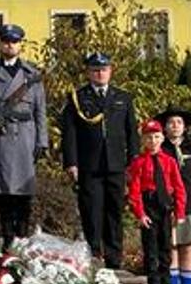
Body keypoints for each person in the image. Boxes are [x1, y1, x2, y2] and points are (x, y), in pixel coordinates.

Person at [0, 23, 47, 252]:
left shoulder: (32, 75)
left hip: (25, 138)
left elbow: (40, 111)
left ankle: (22, 239)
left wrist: (42, 141)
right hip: (0, 139)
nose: (10, 45)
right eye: (6, 41)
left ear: (20, 45)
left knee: (24, 194)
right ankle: (7, 239)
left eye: (14, 42)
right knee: (3, 193)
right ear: (0, 44)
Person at [59, 52, 138, 269]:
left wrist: (133, 161)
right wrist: (71, 162)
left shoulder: (123, 97)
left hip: (116, 164)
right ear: (88, 73)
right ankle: (93, 254)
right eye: (95, 70)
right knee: (92, 211)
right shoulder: (78, 98)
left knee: (114, 212)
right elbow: (70, 133)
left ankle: (114, 258)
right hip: (89, 165)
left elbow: (132, 133)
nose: (100, 73)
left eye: (103, 69)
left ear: (110, 71)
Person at [126, 120, 186, 284]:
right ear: (143, 140)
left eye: (156, 137)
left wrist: (180, 211)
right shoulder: (139, 162)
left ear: (162, 138)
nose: (153, 141)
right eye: (149, 138)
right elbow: (135, 191)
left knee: (165, 248)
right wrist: (140, 214)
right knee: (151, 249)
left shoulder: (169, 161)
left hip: (166, 208)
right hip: (149, 207)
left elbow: (178, 187)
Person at [160, 109, 191, 284]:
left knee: (188, 250)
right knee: (172, 250)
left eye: (179, 122)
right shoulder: (160, 150)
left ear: (184, 127)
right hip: (168, 208)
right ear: (165, 127)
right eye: (171, 122)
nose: (175, 125)